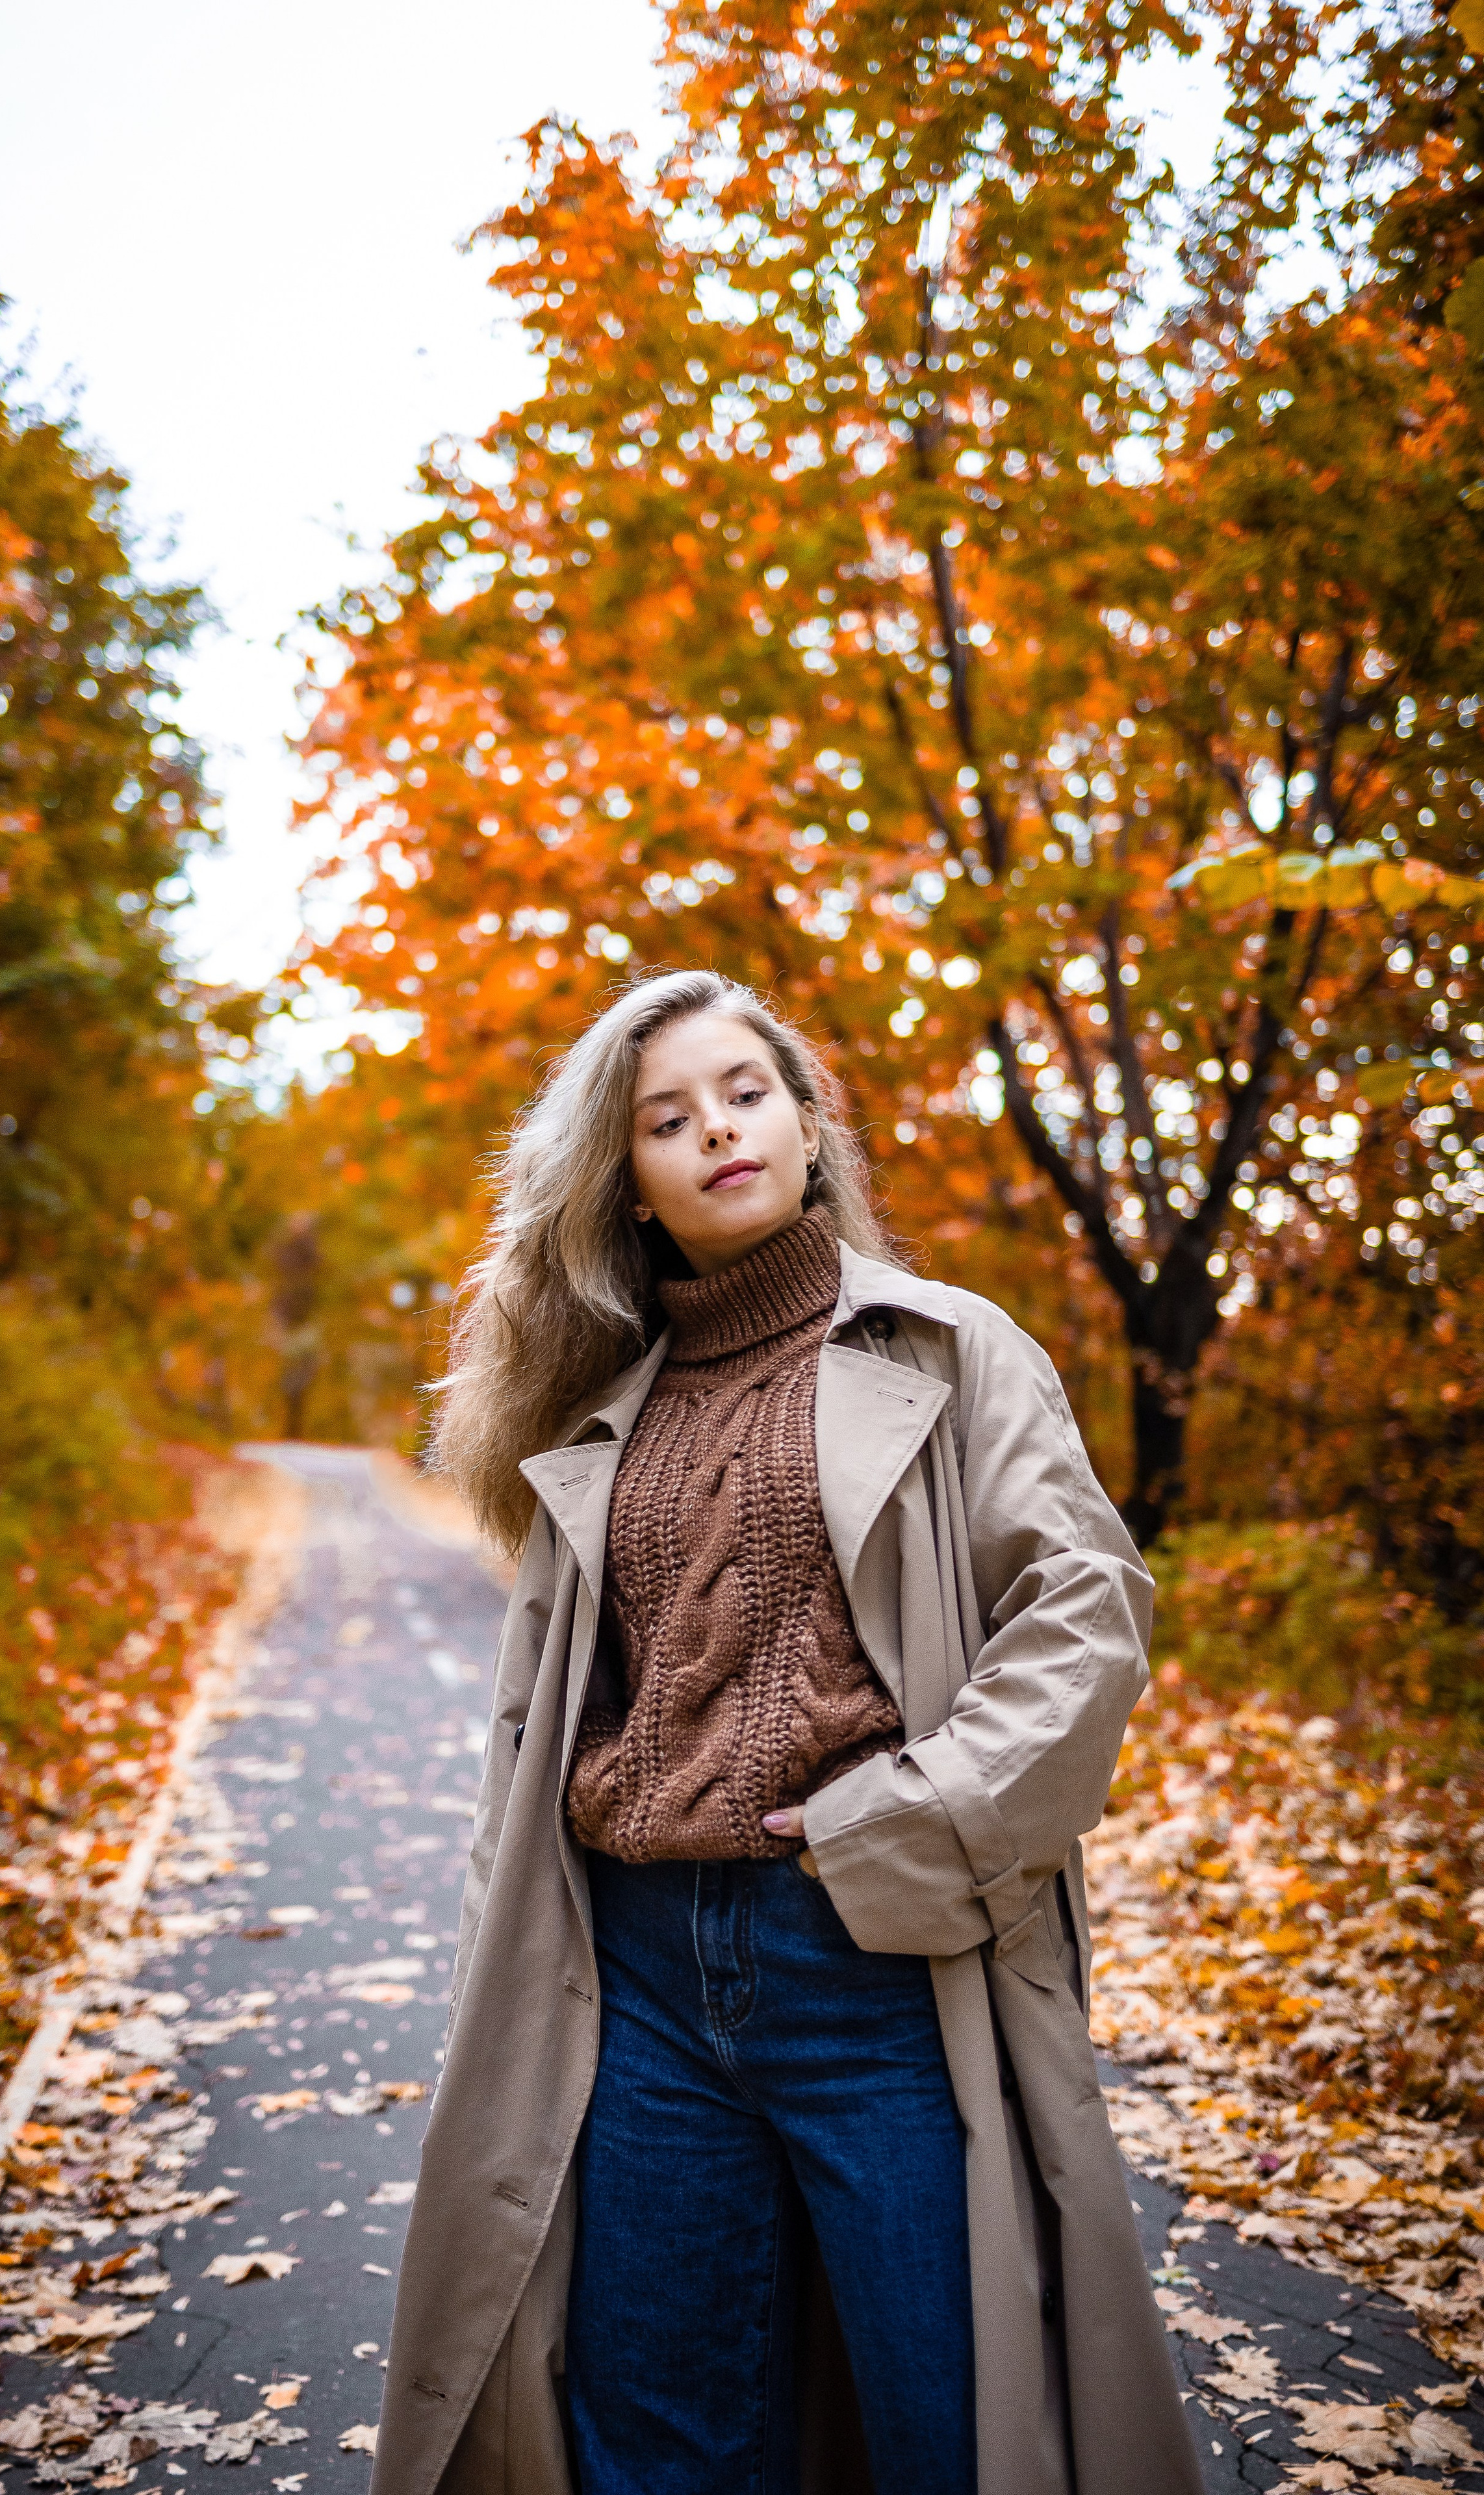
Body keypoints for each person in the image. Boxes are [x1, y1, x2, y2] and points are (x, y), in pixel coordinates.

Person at [370, 969, 1203, 2495]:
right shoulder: (597, 1413)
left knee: (949, 2424)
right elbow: (548, 1714)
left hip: (874, 1969)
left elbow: (1083, 1612)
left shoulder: (950, 1352)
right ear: (624, 1187)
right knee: (660, 2433)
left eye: (744, 1094)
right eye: (664, 1121)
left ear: (812, 1126)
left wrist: (900, 1825)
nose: (716, 1133)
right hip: (638, 1982)